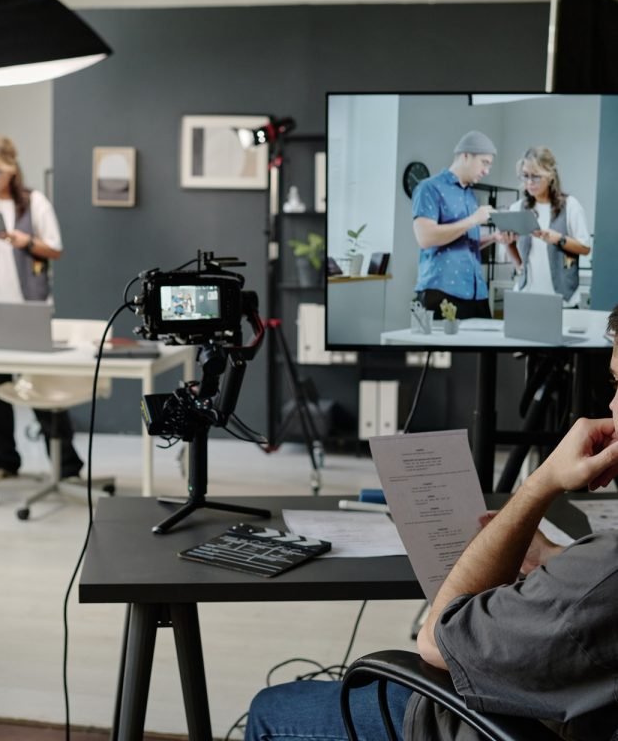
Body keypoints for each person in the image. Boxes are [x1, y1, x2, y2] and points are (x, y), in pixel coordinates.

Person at [245, 306, 618, 741]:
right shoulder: (597, 573)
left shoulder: (604, 570)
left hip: (474, 724)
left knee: (271, 709)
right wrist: (557, 560)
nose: (609, 405)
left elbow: (435, 642)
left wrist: (539, 485)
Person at [0, 135, 83, 482]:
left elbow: (54, 250)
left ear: (11, 169)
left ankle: (66, 464)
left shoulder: (34, 202)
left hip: (30, 307)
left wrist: (21, 239)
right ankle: (2, 458)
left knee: (43, 386)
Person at [412, 130, 505, 320]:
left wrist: (494, 238)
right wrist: (473, 219)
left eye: (489, 165)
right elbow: (425, 238)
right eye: (484, 163)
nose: (487, 171)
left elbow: (463, 243)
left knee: (486, 349)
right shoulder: (429, 187)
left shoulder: (469, 194)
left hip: (476, 293)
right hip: (442, 292)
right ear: (465, 156)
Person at [506, 147, 591, 307]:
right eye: (525, 176)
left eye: (536, 177)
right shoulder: (517, 208)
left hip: (563, 300)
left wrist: (558, 239)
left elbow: (585, 247)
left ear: (550, 176)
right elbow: (509, 243)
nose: (529, 182)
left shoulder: (571, 206)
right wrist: (519, 266)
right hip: (527, 297)